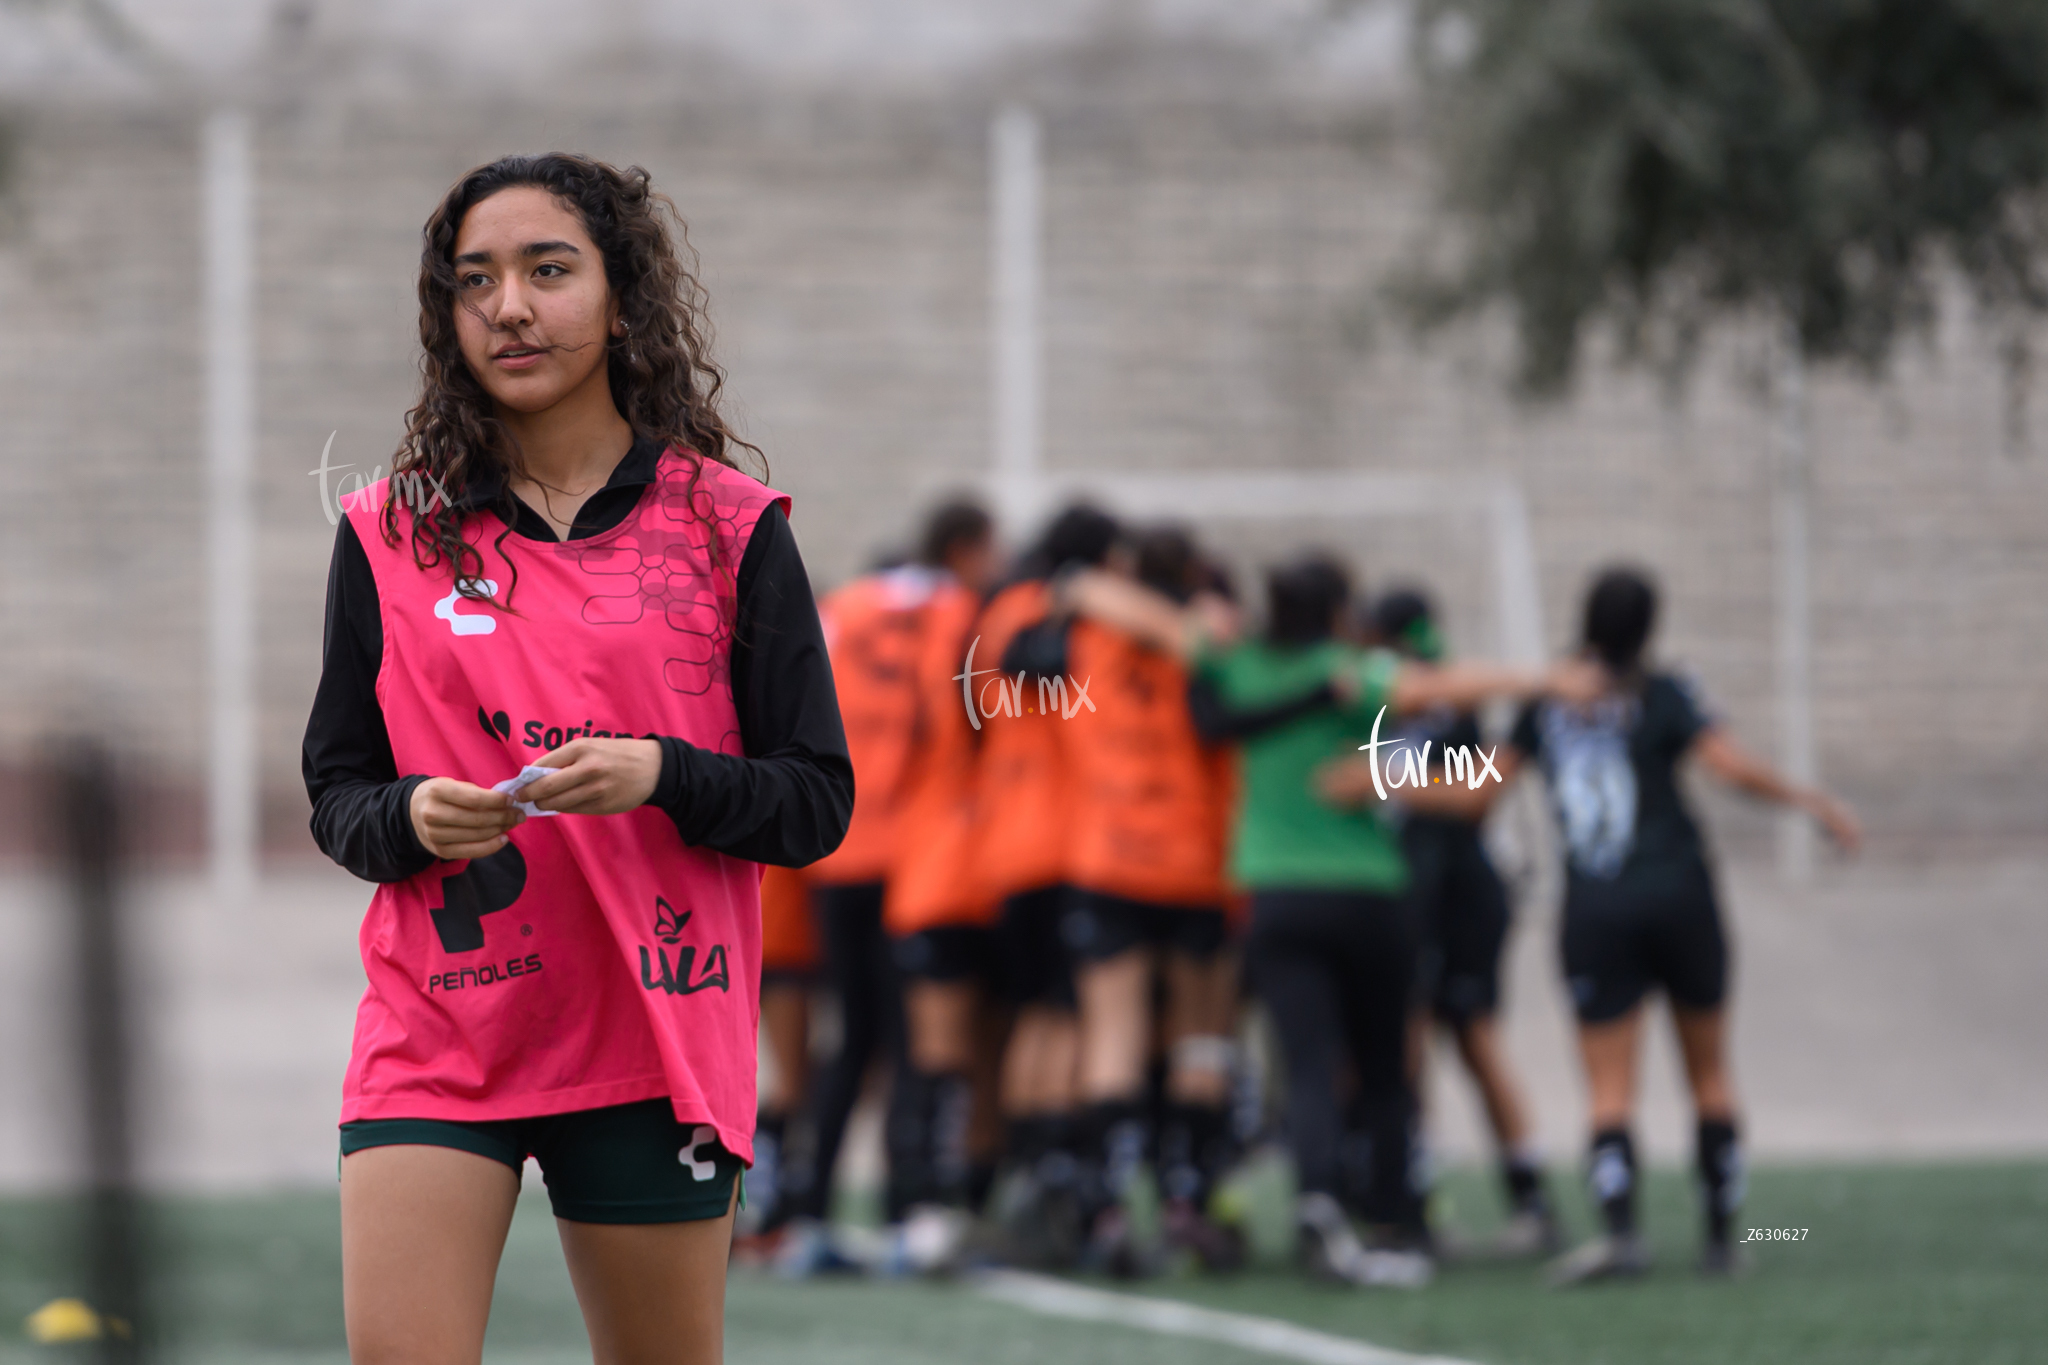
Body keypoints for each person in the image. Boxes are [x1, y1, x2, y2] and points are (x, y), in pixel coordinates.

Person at [301, 153, 851, 1365]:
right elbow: (335, 794)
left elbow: (815, 805)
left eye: (549, 271)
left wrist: (665, 773)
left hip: (653, 1040)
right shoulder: (388, 533)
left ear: (620, 298)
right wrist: (407, 818)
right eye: (475, 280)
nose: (509, 305)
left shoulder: (728, 530)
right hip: (440, 1033)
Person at [1067, 554, 1599, 1290]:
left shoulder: (1241, 664)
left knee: (1310, 1065)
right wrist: (1544, 678)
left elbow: (1139, 613)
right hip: (1370, 892)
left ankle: (1319, 1210)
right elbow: (1440, 695)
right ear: (1341, 611)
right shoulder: (1351, 671)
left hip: (1277, 895)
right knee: (1386, 1071)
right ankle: (1393, 1221)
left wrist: (1072, 581)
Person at [1500, 567, 1860, 1283]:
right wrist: (1808, 799)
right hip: (1681, 896)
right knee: (1711, 1072)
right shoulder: (1667, 692)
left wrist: (1384, 777)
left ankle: (1623, 1236)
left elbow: (1478, 786)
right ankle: (1723, 1239)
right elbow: (1726, 765)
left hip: (1597, 907)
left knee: (1608, 1088)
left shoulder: (1545, 702)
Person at [775, 509, 987, 1276]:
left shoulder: (841, 612)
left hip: (838, 850)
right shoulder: (957, 610)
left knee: (847, 1040)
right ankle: (906, 1210)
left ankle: (807, 1210)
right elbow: (955, 712)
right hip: (915, 855)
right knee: (903, 1042)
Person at [1038, 526, 1247, 1275]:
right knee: (1200, 1039)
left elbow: (1055, 604)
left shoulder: (1090, 634)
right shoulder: (1216, 637)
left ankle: (1110, 1209)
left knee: (1114, 1037)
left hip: (1110, 858)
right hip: (1198, 862)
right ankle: (1190, 1203)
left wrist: (1089, 588)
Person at [1366, 587, 1558, 1257]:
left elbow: (1474, 798)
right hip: (1436, 892)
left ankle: (1504, 1195)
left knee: (1452, 1042)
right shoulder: (1417, 694)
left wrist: (1374, 781)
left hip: (1453, 894)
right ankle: (1442, 1196)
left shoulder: (1434, 699)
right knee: (1440, 1044)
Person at [967, 505, 1120, 1265]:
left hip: (1006, 843)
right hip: (1064, 842)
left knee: (1033, 1015)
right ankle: (1050, 1186)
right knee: (1067, 1016)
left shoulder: (1000, 606)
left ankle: (1026, 1175)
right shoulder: (1070, 609)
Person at [875, 501, 1005, 1273]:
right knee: (949, 1052)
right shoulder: (966, 621)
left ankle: (931, 1204)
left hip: (917, 858)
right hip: (961, 862)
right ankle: (934, 1203)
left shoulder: (871, 613)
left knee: (931, 1051)